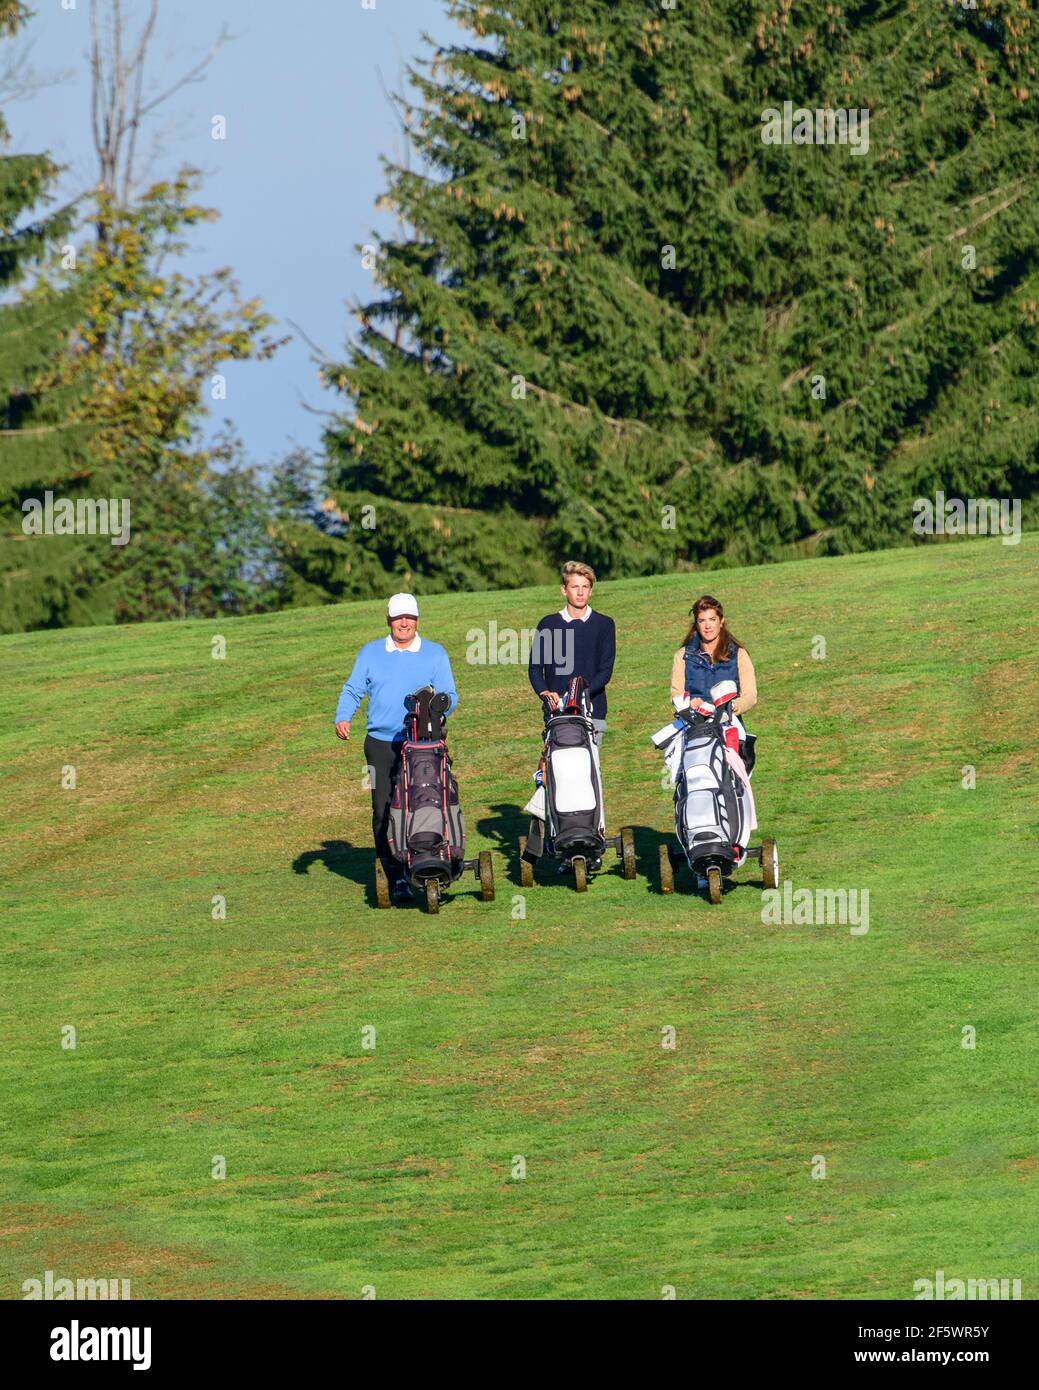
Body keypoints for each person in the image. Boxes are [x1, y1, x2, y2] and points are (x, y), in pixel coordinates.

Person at [334, 593, 458, 902]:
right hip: (380, 744)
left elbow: (450, 695)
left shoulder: (435, 653)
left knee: (427, 802)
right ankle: (394, 875)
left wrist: (438, 707)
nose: (405, 623)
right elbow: (353, 688)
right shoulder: (371, 653)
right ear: (389, 620)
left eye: (410, 618)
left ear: (417, 620)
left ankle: (434, 861)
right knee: (382, 809)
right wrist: (343, 717)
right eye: (399, 618)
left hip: (422, 743)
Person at [527, 560, 616, 744]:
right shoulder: (548, 624)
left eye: (585, 587)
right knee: (556, 767)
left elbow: (605, 670)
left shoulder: (604, 624)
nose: (581, 592)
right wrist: (545, 693)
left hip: (593, 712)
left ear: (591, 590)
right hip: (556, 712)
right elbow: (535, 668)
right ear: (564, 589)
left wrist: (579, 695)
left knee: (589, 769)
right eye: (575, 586)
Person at [670, 592, 757, 737]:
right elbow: (676, 694)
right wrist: (689, 704)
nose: (707, 626)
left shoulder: (739, 654)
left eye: (712, 619)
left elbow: (750, 696)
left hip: (729, 728)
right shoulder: (682, 656)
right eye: (702, 621)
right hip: (694, 728)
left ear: (721, 621)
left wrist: (731, 707)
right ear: (696, 624)